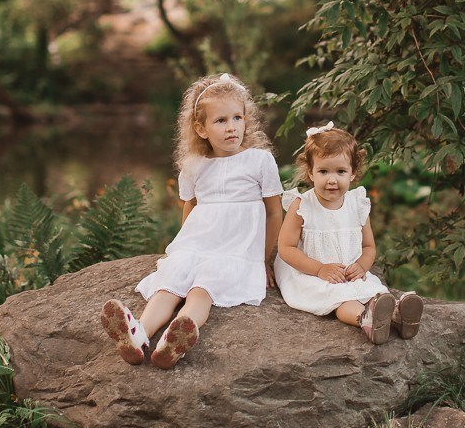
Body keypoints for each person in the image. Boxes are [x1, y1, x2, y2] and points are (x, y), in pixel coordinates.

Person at [100, 73, 283, 369]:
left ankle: (176, 338)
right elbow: (191, 206)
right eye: (220, 121)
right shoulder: (194, 165)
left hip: (235, 250)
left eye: (237, 118)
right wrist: (181, 249)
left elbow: (274, 212)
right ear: (200, 129)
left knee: (202, 290)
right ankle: (138, 334)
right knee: (169, 285)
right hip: (199, 242)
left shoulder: (259, 161)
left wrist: (263, 259)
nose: (232, 127)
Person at [273, 123, 423, 344]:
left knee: (373, 292)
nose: (332, 180)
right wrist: (320, 269)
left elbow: (369, 246)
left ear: (353, 173)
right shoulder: (302, 205)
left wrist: (362, 265)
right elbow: (286, 248)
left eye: (341, 171)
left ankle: (397, 316)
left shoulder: (357, 204)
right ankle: (365, 319)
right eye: (323, 171)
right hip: (310, 271)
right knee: (340, 299)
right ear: (310, 173)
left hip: (348, 271)